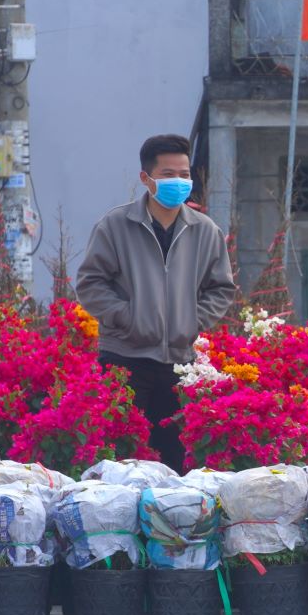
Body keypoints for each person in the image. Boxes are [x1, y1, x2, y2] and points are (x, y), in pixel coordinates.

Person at [76, 134, 236, 471]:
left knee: (175, 460)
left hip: (179, 363)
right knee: (121, 459)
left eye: (183, 174)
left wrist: (192, 321)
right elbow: (91, 283)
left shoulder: (205, 231)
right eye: (167, 174)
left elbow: (221, 288)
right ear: (146, 179)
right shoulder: (116, 226)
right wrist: (128, 317)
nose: (178, 182)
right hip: (124, 359)